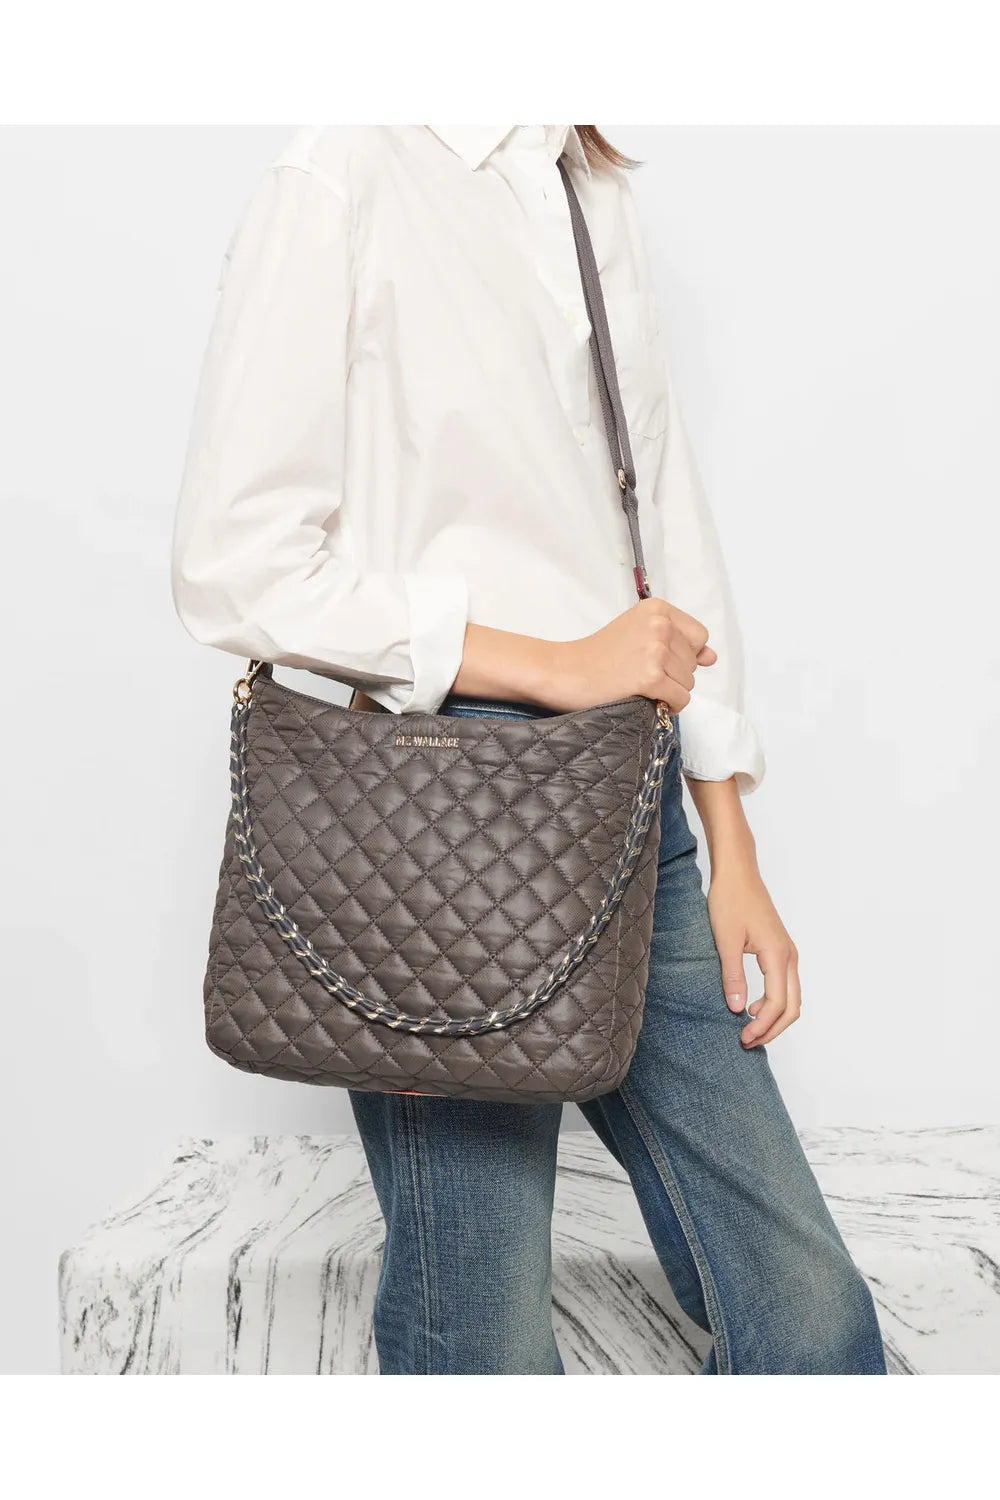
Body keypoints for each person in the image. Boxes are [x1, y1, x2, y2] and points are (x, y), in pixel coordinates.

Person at [171, 124, 886, 1375]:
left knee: (808, 1314)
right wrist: (551, 664)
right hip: (435, 816)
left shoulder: (584, 181)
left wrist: (731, 840)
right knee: (483, 1336)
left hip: (632, 789)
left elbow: (662, 521)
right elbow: (235, 565)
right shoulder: (346, 170)